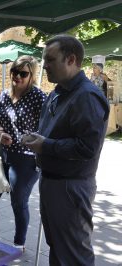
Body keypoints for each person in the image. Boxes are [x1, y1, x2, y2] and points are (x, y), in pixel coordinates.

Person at [22, 35, 109, 266]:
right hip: (53, 183)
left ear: (71, 60)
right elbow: (53, 132)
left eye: (50, 59)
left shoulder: (87, 96)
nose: (45, 65)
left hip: (70, 187)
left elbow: (87, 147)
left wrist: (45, 145)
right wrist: (37, 139)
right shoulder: (58, 91)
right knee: (59, 250)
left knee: (74, 256)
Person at [0, 55, 47, 249]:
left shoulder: (38, 97)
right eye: (15, 71)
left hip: (27, 160)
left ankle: (18, 243)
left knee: (17, 201)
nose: (17, 76)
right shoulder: (4, 95)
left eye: (23, 73)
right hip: (2, 154)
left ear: (32, 76)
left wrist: (33, 139)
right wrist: (1, 132)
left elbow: (49, 127)